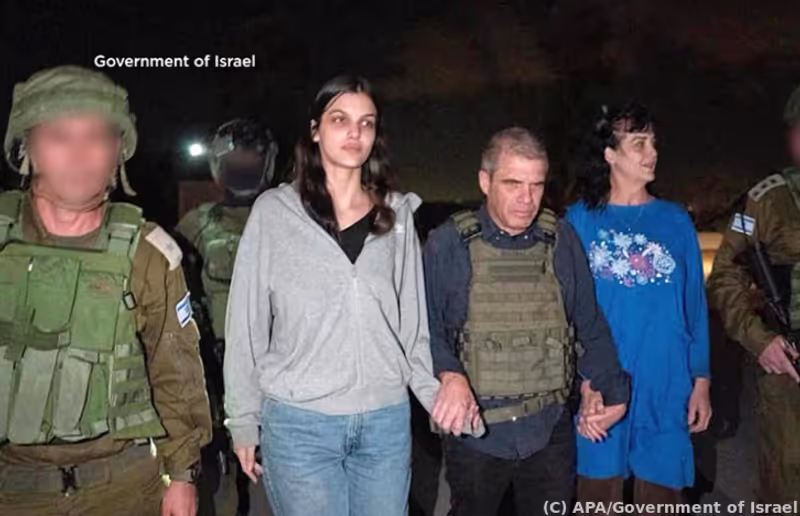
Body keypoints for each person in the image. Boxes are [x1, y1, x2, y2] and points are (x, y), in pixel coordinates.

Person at [223, 75, 480, 516]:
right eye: (340, 119)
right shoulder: (274, 214)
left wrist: (436, 396)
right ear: (315, 130)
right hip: (300, 424)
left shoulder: (396, 215)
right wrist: (243, 420)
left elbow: (411, 326)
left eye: (367, 122)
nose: (355, 133)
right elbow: (246, 324)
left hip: (384, 423)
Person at [0, 65, 211, 515]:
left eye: (96, 137)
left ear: (119, 150)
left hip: (123, 486)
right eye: (59, 136)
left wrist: (182, 474)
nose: (80, 156)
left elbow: (175, 370)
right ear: (27, 145)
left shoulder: (149, 252)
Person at [424, 126, 630, 516]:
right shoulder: (448, 244)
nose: (526, 198)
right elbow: (425, 331)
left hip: (548, 430)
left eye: (536, 185)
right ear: (485, 182)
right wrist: (449, 374)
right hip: (477, 433)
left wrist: (612, 391)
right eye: (513, 184)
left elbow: (588, 323)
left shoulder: (562, 239)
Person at [566, 103, 711, 508]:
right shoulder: (579, 221)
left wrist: (701, 381)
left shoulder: (675, 220)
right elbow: (567, 310)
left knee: (661, 497)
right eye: (639, 143)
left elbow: (694, 307)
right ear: (610, 154)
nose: (652, 153)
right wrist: (585, 382)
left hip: (664, 382)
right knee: (597, 496)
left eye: (653, 143)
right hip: (602, 383)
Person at [175, 118, 278, 516]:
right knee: (217, 479)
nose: (245, 167)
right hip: (214, 366)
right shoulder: (196, 225)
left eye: (251, 159)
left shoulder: (288, 218)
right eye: (237, 160)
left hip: (274, 368)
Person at [708, 84, 800, 503]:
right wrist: (759, 340)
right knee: (786, 480)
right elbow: (725, 273)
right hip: (790, 363)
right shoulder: (765, 201)